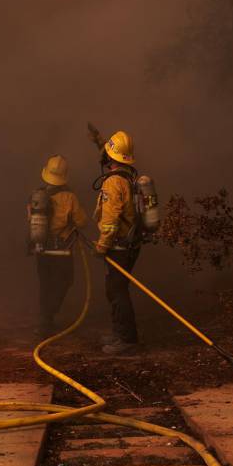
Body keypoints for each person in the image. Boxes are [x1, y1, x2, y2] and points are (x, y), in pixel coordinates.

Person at [93, 131, 141, 354]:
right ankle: (118, 333)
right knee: (116, 289)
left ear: (110, 157)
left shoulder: (113, 182)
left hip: (119, 246)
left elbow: (111, 219)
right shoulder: (129, 178)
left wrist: (103, 246)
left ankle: (127, 340)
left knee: (117, 291)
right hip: (131, 245)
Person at [29, 154, 87, 336]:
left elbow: (30, 219)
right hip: (62, 251)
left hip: (42, 249)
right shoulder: (70, 197)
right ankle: (50, 315)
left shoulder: (36, 196)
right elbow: (82, 221)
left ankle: (45, 321)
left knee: (45, 284)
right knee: (65, 281)